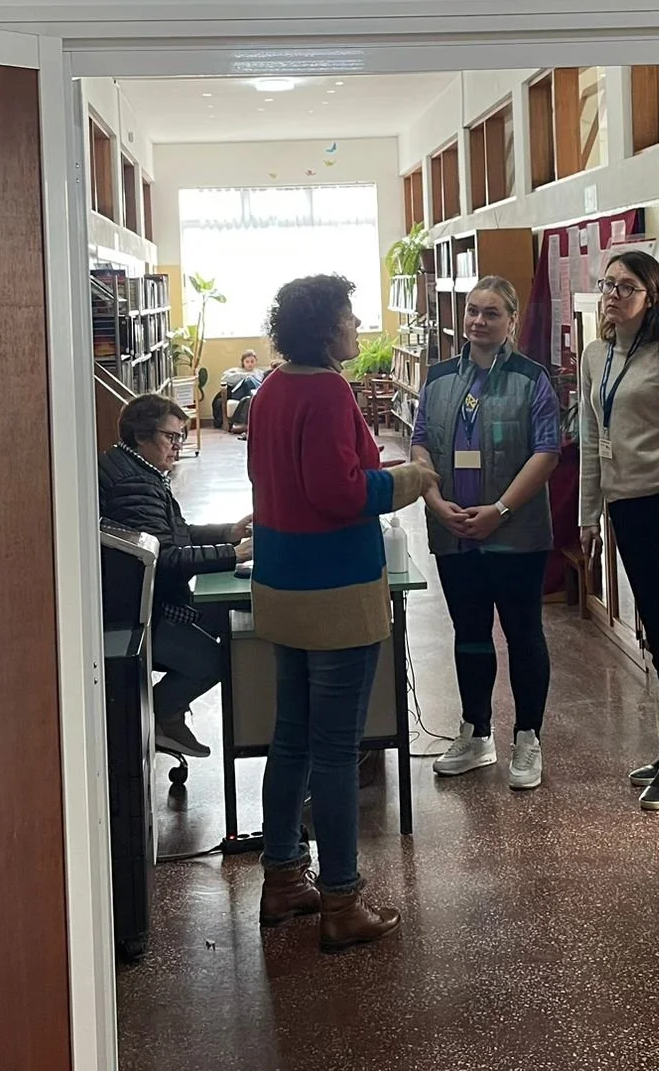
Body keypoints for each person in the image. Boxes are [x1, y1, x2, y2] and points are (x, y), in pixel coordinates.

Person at [246, 274, 437, 951]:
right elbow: (340, 493)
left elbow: (283, 479)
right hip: (333, 590)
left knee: (291, 739)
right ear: (327, 329)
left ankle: (282, 878)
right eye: (351, 318)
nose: (358, 327)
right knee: (335, 750)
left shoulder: (271, 388)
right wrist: (409, 479)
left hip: (282, 582)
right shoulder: (326, 391)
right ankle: (341, 899)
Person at [410, 277, 562, 791]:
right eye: (473, 311)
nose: (478, 321)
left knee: (523, 633)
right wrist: (434, 502)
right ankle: (476, 733)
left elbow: (546, 452)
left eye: (491, 313)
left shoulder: (531, 378)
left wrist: (500, 510)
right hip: (454, 531)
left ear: (511, 321)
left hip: (515, 534)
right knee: (469, 633)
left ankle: (527, 737)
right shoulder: (438, 377)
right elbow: (420, 444)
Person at [577, 251, 659, 812]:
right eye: (607, 285)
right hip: (624, 506)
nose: (612, 295)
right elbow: (591, 439)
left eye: (625, 287)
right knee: (656, 630)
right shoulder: (596, 355)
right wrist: (588, 515)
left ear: (651, 296)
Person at [97, 393, 252, 759]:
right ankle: (158, 716)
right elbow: (164, 558)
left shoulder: (136, 470)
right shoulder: (134, 484)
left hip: (144, 599)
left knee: (224, 615)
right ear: (141, 435)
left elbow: (172, 534)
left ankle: (164, 715)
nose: (178, 445)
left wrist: (228, 533)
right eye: (171, 437)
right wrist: (233, 555)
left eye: (181, 436)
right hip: (137, 612)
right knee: (215, 660)